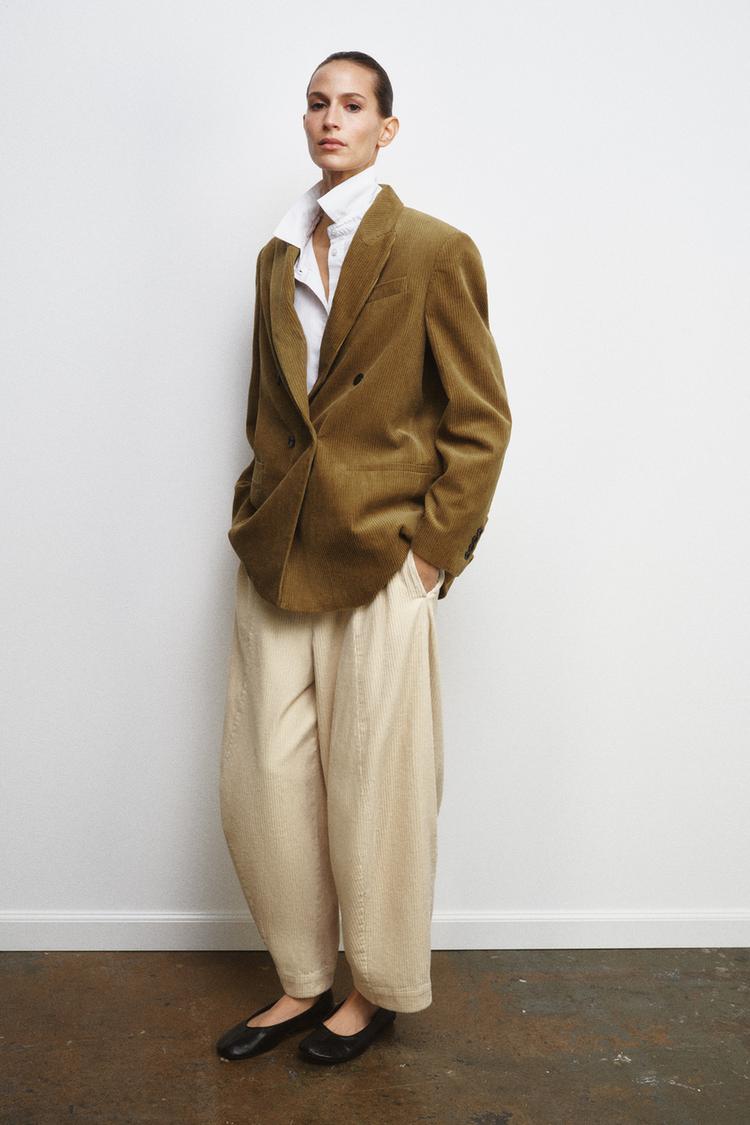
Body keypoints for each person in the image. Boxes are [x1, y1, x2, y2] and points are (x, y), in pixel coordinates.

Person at [216, 50, 512, 1066]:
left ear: (386, 129)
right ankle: (303, 979)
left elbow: (480, 419)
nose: (329, 119)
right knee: (263, 781)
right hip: (279, 552)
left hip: (384, 553)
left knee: (376, 786)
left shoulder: (434, 250)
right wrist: (253, 508)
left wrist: (430, 558)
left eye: (351, 105)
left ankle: (375, 990)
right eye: (316, 103)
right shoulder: (276, 257)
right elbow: (270, 409)